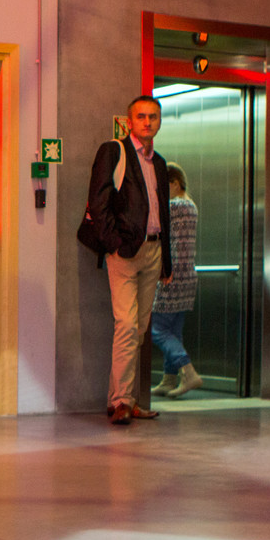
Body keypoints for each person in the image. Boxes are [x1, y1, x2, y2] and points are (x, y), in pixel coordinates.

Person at [88, 95, 173, 425]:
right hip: (125, 251)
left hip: (153, 250)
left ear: (159, 121)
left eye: (153, 116)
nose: (147, 122)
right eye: (141, 116)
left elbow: (163, 212)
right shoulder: (114, 151)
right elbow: (98, 202)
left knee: (138, 329)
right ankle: (122, 400)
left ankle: (123, 399)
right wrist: (114, 244)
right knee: (126, 324)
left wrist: (166, 261)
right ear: (129, 121)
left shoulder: (160, 163)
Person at [148, 163, 201, 399]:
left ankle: (187, 371)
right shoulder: (191, 206)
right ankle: (169, 379)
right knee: (174, 331)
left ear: (175, 183)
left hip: (171, 275)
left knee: (156, 329)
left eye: (163, 186)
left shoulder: (174, 207)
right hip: (187, 276)